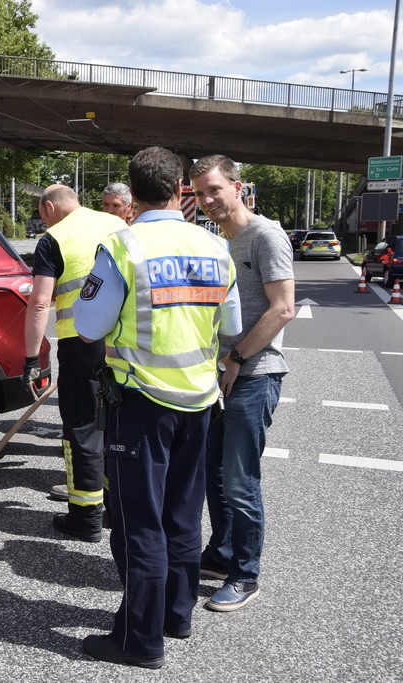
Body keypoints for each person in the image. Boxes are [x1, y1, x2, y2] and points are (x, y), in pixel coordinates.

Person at [74, 146, 241, 669]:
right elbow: (232, 327)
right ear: (179, 191)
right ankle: (177, 614)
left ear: (134, 195)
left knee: (138, 523)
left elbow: (88, 326)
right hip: (199, 401)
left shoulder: (123, 246)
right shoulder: (215, 247)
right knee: (183, 514)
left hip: (142, 403)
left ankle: (139, 640)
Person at [189, 154, 294, 612]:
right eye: (199, 193)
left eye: (215, 189)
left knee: (239, 480)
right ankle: (222, 554)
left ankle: (246, 575)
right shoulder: (220, 241)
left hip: (254, 375)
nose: (208, 200)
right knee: (214, 474)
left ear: (237, 186)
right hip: (221, 375)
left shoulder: (264, 235)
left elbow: (283, 308)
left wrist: (236, 357)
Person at [23, 184, 126, 542]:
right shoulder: (117, 225)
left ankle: (85, 517)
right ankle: (116, 508)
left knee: (82, 428)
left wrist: (31, 356)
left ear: (50, 207)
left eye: (41, 212)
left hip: (81, 345)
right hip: (125, 343)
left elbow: (39, 304)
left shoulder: (54, 238)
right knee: (116, 424)